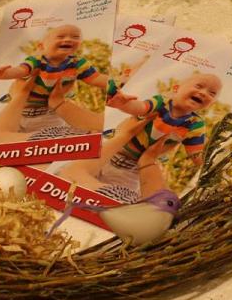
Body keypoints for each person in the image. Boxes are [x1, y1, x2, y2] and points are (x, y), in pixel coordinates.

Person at [59, 72, 222, 203]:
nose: (203, 93)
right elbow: (141, 108)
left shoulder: (195, 125)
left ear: (211, 103)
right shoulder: (162, 102)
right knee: (68, 176)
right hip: (110, 153)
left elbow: (196, 154)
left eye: (211, 93)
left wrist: (211, 167)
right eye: (199, 86)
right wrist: (123, 104)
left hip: (131, 169)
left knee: (114, 197)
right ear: (176, 88)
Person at [0, 24, 109, 144]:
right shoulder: (37, 61)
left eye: (75, 37)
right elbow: (21, 71)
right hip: (22, 112)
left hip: (48, 113)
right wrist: (2, 74)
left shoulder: (77, 64)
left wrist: (116, 83)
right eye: (60, 36)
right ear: (41, 46)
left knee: (49, 139)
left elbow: (96, 78)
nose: (68, 39)